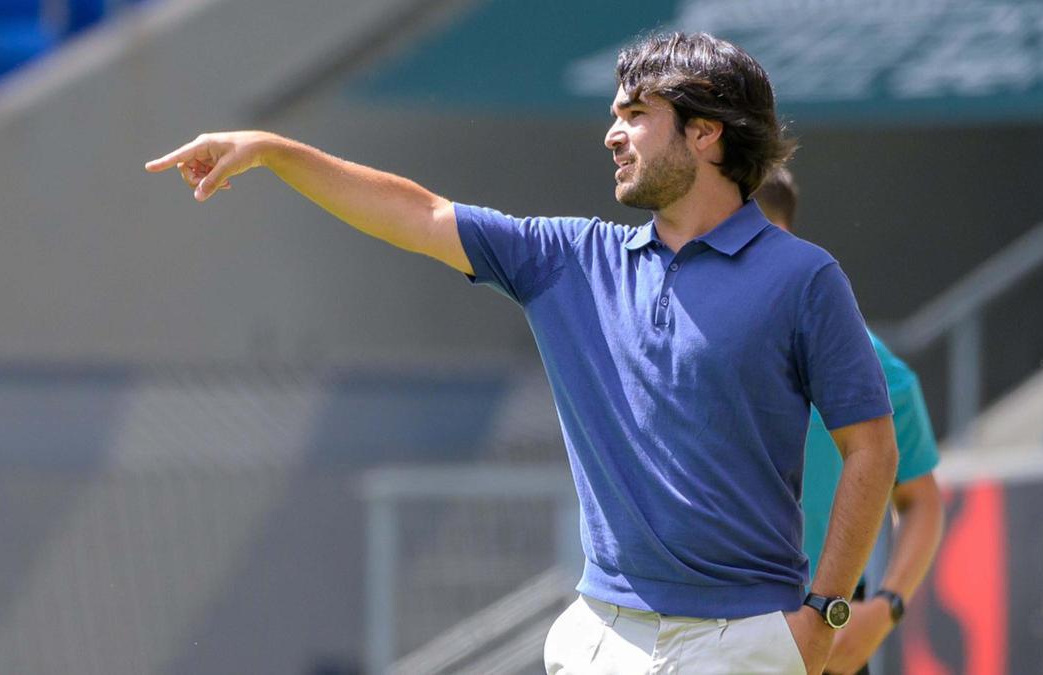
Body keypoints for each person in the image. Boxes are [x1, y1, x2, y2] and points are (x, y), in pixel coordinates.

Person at [145, 32, 898, 675]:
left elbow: (871, 450)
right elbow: (420, 211)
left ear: (705, 133)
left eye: (636, 115)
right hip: (602, 637)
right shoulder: (569, 258)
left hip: (744, 642)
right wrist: (273, 153)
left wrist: (823, 617)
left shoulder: (804, 277)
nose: (612, 133)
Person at [755, 167, 944, 675]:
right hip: (703, 636)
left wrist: (884, 610)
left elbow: (921, 500)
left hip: (823, 640)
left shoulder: (872, 363)